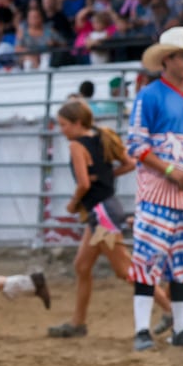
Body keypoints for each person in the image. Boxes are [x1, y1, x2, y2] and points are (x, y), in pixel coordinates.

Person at [127, 28, 183, 350]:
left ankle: (181, 329)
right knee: (148, 258)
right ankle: (141, 330)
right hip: (157, 194)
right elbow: (136, 145)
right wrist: (168, 170)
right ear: (169, 59)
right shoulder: (149, 95)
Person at [49, 98, 138, 338]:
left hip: (101, 215)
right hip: (105, 211)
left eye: (64, 124)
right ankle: (78, 323)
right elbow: (129, 164)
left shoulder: (77, 145)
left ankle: (170, 309)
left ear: (77, 123)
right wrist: (108, 177)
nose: (62, 129)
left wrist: (72, 203)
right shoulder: (103, 136)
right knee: (82, 266)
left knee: (124, 270)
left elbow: (83, 184)